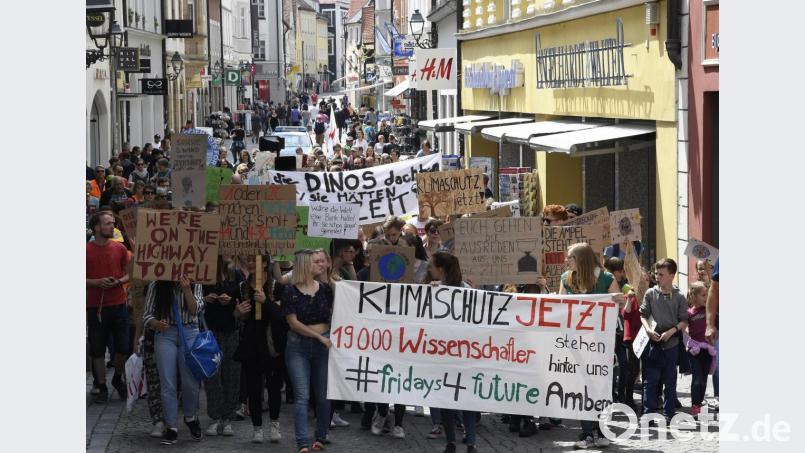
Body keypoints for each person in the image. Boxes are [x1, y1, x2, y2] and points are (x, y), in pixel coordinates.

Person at [558, 243, 626, 449]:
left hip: (600, 343)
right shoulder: (566, 278)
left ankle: (602, 431)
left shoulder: (606, 279)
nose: (567, 261)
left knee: (601, 386)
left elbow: (622, 305)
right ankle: (587, 432)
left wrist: (619, 299)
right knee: (582, 386)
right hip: (577, 343)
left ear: (581, 259)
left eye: (570, 257)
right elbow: (560, 306)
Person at [425, 251, 479, 453]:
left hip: (460, 353)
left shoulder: (465, 290)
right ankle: (465, 442)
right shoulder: (434, 289)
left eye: (431, 266)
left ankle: (459, 442)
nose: (429, 270)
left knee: (460, 398)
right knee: (448, 398)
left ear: (440, 269)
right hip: (447, 353)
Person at [282, 249, 334, 453]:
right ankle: (302, 443)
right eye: (317, 261)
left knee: (323, 395)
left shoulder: (326, 289)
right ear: (305, 264)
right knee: (302, 395)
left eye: (323, 261)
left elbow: (336, 313)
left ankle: (321, 436)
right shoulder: (290, 291)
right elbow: (293, 323)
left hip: (323, 346)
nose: (322, 264)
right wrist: (319, 337)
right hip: (298, 347)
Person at [143, 276, 205, 445]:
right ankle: (171, 427)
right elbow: (147, 315)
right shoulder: (156, 284)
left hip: (190, 331)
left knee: (190, 381)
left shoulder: (196, 281)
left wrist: (187, 289)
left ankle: (190, 417)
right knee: (167, 383)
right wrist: (157, 324)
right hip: (165, 334)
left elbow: (196, 310)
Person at [233, 255, 286, 444]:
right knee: (253, 389)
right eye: (247, 260)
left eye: (253, 259)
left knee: (273, 387)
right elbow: (237, 315)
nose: (249, 263)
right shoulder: (242, 287)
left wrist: (266, 302)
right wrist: (238, 313)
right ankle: (257, 427)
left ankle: (274, 423)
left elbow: (283, 316)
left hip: (271, 342)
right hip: (251, 342)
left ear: (264, 263)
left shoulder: (277, 287)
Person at [86, 212, 131, 404]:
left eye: (113, 223)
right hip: (95, 307)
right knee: (97, 349)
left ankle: (117, 378)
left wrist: (118, 282)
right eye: (107, 223)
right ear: (96, 227)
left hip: (118, 305)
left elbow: (130, 274)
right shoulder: (86, 250)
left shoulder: (120, 248)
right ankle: (102, 386)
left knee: (123, 347)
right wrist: (96, 282)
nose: (112, 226)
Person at [639, 258, 689, 423]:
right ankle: (648, 414)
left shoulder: (679, 297)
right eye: (656, 274)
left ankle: (669, 413)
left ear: (672, 275)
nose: (657, 277)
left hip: (671, 344)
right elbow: (643, 315)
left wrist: (671, 331)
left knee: (670, 380)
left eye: (661, 274)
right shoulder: (650, 293)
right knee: (650, 381)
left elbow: (684, 321)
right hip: (653, 343)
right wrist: (648, 330)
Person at [202, 256, 243, 438]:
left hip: (231, 330)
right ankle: (215, 417)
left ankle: (228, 417)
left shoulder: (236, 274)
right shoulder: (205, 272)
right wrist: (206, 299)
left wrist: (232, 302)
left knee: (232, 375)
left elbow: (243, 299)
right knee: (212, 376)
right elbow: (194, 300)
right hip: (210, 332)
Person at [685, 281, 714, 418]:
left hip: (708, 350)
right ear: (694, 296)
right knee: (697, 379)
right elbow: (684, 326)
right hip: (694, 350)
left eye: (707, 294)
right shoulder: (689, 313)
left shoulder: (709, 311)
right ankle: (695, 406)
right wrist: (688, 333)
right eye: (703, 295)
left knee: (703, 380)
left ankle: (700, 401)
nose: (706, 297)